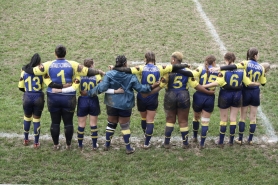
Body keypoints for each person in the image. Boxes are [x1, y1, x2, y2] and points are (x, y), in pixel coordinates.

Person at [22, 45, 105, 150]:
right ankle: (69, 145)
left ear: (55, 53)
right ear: (65, 53)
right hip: (68, 97)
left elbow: (31, 70)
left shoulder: (48, 64)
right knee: (68, 122)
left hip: (53, 97)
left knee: (55, 122)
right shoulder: (72, 64)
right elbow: (88, 71)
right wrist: (99, 72)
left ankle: (56, 145)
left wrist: (24, 67)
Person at [112, 51, 190, 148]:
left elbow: (127, 70)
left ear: (145, 59)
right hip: (154, 97)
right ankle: (147, 143)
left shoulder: (141, 68)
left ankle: (148, 137)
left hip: (142, 96)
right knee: (151, 120)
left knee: (144, 118)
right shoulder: (161, 68)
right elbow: (176, 68)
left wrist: (114, 68)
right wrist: (186, 65)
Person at [87, 55, 159, 154]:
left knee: (111, 124)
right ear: (125, 63)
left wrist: (90, 92)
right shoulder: (131, 76)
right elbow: (141, 89)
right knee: (125, 126)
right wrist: (152, 86)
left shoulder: (109, 74)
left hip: (111, 103)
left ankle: (107, 144)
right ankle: (128, 148)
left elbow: (102, 87)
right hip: (126, 104)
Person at [146, 52, 214, 149]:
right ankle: (185, 143)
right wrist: (208, 92)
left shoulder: (168, 70)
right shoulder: (187, 71)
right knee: (183, 121)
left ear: (173, 60)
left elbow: (161, 85)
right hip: (183, 95)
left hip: (170, 95)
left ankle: (166, 142)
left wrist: (148, 93)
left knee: (170, 119)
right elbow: (196, 85)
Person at [52, 58, 124, 151]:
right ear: (92, 66)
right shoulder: (97, 76)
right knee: (93, 124)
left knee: (81, 124)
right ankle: (94, 145)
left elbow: (73, 87)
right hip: (93, 100)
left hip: (82, 100)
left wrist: (61, 88)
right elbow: (103, 87)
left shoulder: (79, 76)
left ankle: (80, 145)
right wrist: (115, 89)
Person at [210, 48, 267, 145]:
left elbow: (233, 66)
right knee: (253, 117)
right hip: (254, 92)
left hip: (244, 92)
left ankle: (239, 139)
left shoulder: (245, 63)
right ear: (255, 55)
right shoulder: (261, 67)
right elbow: (263, 83)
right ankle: (250, 140)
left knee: (242, 117)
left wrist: (219, 69)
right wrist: (259, 80)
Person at [191, 55, 219, 149]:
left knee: (196, 118)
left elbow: (192, 75)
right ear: (214, 62)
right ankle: (202, 143)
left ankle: (194, 137)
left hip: (199, 95)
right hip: (210, 96)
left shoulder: (200, 68)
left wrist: (197, 84)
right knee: (205, 122)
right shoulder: (218, 71)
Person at [18, 53, 45, 149]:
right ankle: (36, 143)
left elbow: (20, 87)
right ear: (39, 62)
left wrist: (28, 92)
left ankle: (25, 140)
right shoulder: (41, 72)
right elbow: (45, 84)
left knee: (27, 118)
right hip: (38, 97)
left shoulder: (24, 72)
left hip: (28, 96)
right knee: (36, 119)